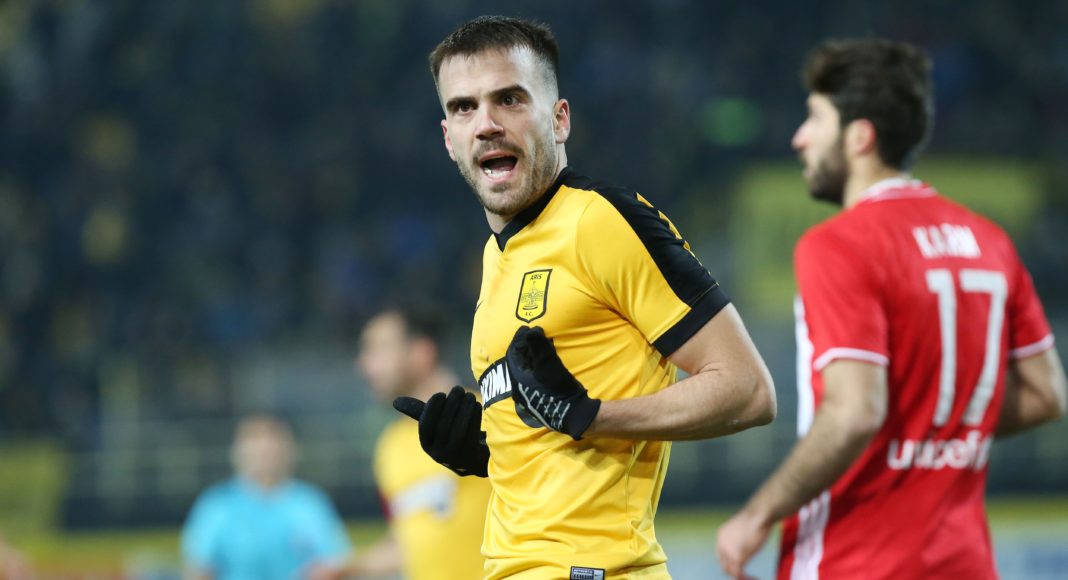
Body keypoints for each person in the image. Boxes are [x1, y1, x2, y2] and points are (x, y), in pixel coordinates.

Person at [391, 15, 777, 579]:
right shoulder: (497, 257)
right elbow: (555, 438)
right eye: (464, 107)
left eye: (509, 99)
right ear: (449, 139)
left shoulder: (603, 221)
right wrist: (489, 451)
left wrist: (593, 416)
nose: (487, 124)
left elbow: (749, 389)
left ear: (559, 119)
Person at [716, 39, 1068, 580]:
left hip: (854, 560)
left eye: (815, 118)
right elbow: (1047, 395)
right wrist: (934, 428)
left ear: (860, 137)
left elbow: (855, 412)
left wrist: (756, 515)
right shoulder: (989, 242)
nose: (799, 137)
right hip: (966, 563)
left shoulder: (839, 245)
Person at [352, 307, 491, 579]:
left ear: (421, 353)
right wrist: (347, 568)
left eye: (379, 349)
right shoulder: (389, 446)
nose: (364, 364)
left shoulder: (488, 416)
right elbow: (405, 543)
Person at [181, 415, 352, 580]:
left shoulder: (309, 503)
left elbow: (334, 562)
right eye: (256, 447)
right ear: (238, 453)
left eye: (272, 447)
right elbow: (199, 568)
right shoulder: (217, 505)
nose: (265, 455)